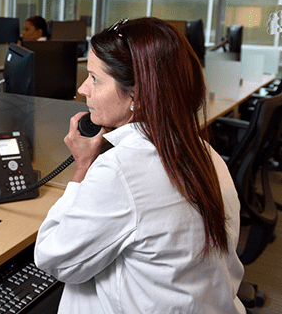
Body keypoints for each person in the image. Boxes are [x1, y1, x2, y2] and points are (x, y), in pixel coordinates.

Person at [34, 17, 245, 313]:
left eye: (95, 78)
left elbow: (52, 257)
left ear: (137, 93)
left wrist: (82, 169)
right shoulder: (205, 153)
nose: (83, 89)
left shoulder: (121, 170)